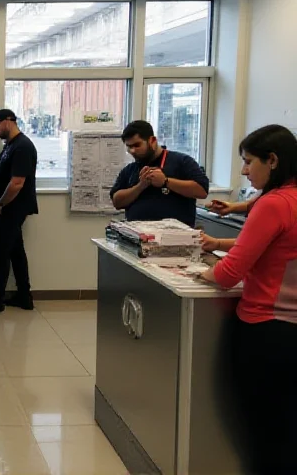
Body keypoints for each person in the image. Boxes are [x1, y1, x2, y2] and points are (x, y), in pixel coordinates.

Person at [198, 125, 297, 475]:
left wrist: (201, 272)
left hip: (264, 330)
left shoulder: (272, 204)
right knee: (287, 429)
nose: (243, 171)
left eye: (248, 161)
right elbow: (276, 247)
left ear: (272, 160)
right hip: (291, 331)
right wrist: (218, 244)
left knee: (259, 431)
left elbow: (228, 274)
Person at [0, 109, 38, 315]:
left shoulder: (22, 147)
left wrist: (0, 204)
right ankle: (24, 296)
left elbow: (17, 183)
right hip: (9, 208)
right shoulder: (11, 146)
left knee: (0, 252)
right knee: (15, 251)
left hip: (12, 208)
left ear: (9, 121)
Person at [110, 120, 209, 227]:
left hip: (175, 237)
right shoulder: (130, 169)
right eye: (129, 147)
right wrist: (140, 186)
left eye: (137, 145)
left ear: (152, 141)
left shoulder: (182, 161)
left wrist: (166, 182)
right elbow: (117, 202)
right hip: (138, 236)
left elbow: (202, 191)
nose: (133, 151)